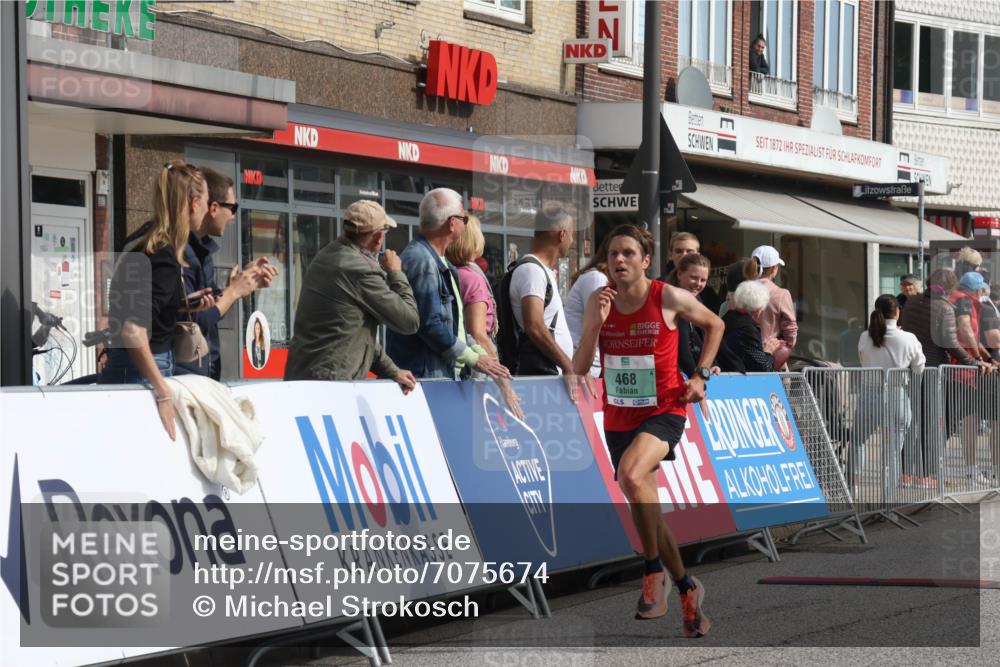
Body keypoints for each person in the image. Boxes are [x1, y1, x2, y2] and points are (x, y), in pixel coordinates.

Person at [573, 224, 723, 636]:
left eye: (627, 253)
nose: (618, 260)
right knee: (647, 509)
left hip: (665, 409)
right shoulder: (598, 301)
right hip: (619, 415)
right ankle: (688, 589)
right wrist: (596, 325)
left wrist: (701, 375)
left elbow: (716, 325)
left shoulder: (666, 296)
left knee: (631, 475)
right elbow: (581, 366)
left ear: (645, 261)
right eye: (612, 254)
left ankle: (652, 570)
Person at [99, 160, 216, 440]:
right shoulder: (163, 255)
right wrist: (163, 392)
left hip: (128, 366)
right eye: (207, 202)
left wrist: (183, 304)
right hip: (144, 370)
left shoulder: (143, 243)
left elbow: (139, 309)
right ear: (193, 203)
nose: (207, 211)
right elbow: (133, 329)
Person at [284, 200, 419, 389]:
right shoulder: (360, 269)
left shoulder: (328, 255)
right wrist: (396, 273)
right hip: (329, 385)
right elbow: (409, 321)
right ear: (378, 237)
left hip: (313, 378)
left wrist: (392, 371)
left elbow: (355, 333)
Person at [387, 188, 509, 381]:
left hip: (436, 374)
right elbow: (430, 324)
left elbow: (453, 325)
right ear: (452, 223)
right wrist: (474, 358)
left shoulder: (439, 262)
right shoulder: (422, 261)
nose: (465, 224)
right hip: (424, 377)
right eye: (464, 219)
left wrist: (476, 351)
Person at [179, 166, 277, 379]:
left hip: (199, 371)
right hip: (185, 376)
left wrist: (239, 284)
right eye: (233, 208)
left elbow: (204, 307)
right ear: (212, 207)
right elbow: (193, 320)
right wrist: (232, 292)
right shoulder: (179, 251)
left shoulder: (200, 250)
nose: (233, 217)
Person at [446, 215, 523, 417]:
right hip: (476, 371)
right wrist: (504, 384)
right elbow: (478, 334)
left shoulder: (452, 271)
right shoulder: (472, 278)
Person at [853, 295, 926, 499]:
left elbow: (862, 360)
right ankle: (889, 497)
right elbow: (919, 368)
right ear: (897, 312)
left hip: (869, 393)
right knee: (893, 450)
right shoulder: (908, 338)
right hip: (897, 395)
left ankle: (854, 490)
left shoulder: (864, 336)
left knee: (858, 441)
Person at [503, 204, 576, 376]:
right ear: (562, 234)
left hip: (549, 375)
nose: (572, 241)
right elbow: (534, 326)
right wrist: (567, 366)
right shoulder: (532, 271)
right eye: (572, 235)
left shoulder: (540, 270)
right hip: (542, 377)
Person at [566, 235, 611, 378]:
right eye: (614, 253)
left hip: (591, 364)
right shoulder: (597, 278)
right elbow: (595, 322)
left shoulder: (600, 277)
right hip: (585, 366)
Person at [744, 245, 797, 355]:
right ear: (774, 269)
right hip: (771, 357)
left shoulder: (741, 292)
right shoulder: (781, 294)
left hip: (744, 356)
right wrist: (786, 344)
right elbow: (790, 330)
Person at [721, 280, 780, 373]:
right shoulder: (747, 330)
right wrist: (768, 352)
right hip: (740, 383)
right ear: (758, 309)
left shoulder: (727, 318)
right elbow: (764, 367)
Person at [658, 232, 721, 313]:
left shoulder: (708, 295)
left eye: (689, 251)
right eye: (679, 251)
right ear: (670, 254)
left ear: (698, 255)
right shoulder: (658, 287)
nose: (684, 255)